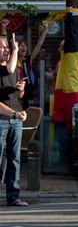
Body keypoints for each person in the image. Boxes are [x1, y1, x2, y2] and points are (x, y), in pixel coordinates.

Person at [0, 33, 28, 207]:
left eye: (6, 48)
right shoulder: (5, 69)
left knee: (14, 159)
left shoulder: (13, 70)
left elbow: (18, 95)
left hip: (15, 119)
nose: (6, 51)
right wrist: (14, 114)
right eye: (2, 48)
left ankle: (13, 196)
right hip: (2, 119)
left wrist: (21, 89)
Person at [14, 20, 49, 109]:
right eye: (21, 45)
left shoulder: (27, 60)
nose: (24, 47)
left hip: (29, 96)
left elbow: (39, 44)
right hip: (17, 97)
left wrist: (45, 29)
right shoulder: (12, 62)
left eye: (25, 45)